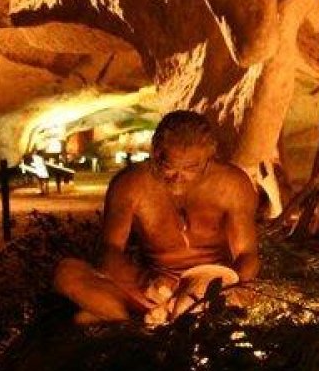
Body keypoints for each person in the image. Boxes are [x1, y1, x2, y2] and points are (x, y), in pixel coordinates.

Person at [54, 110, 260, 323]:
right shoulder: (130, 184)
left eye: (191, 168)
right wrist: (145, 282)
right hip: (153, 293)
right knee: (67, 273)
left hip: (212, 289)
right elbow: (109, 251)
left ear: (211, 155)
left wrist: (221, 288)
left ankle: (130, 319)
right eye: (168, 166)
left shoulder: (233, 184)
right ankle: (145, 320)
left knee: (83, 317)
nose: (179, 177)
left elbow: (247, 254)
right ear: (155, 151)